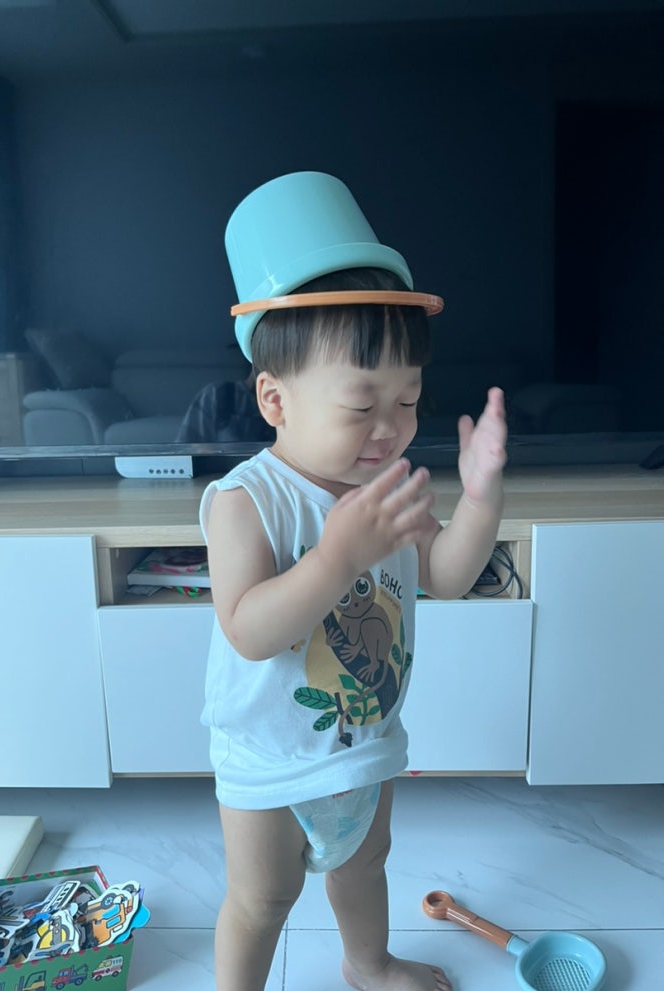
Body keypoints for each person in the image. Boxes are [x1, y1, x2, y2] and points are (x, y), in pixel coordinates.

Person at [199, 173, 506, 991]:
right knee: (262, 898)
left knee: (364, 864)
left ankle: (367, 962)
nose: (391, 427)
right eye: (361, 406)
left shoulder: (388, 488)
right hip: (269, 756)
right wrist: (335, 557)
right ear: (275, 399)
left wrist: (479, 500)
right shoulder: (246, 500)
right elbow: (248, 629)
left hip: (364, 738)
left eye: (407, 400)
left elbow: (444, 574)